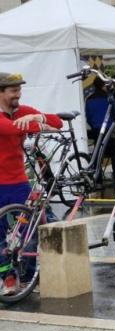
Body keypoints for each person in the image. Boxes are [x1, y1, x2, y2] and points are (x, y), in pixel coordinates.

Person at [0, 72, 63, 296]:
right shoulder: (7, 118)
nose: (18, 94)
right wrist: (30, 124)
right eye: (13, 91)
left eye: (19, 90)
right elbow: (9, 128)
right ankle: (8, 279)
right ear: (1, 93)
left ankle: (27, 277)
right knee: (0, 237)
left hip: (18, 183)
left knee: (31, 230)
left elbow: (58, 122)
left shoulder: (23, 112)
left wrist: (37, 119)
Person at [85, 77, 115, 187]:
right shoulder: (109, 98)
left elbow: (88, 117)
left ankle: (98, 181)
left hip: (96, 130)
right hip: (109, 130)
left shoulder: (89, 99)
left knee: (98, 155)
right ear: (103, 86)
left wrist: (94, 125)